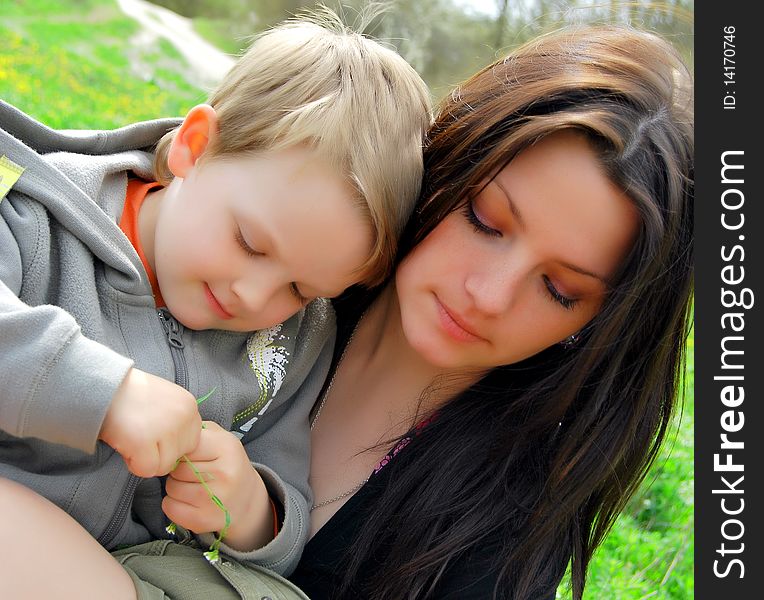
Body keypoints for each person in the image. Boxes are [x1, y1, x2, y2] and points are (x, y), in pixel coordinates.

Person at [0, 9, 430, 599]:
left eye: (300, 289)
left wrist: (252, 512)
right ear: (196, 148)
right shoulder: (34, 216)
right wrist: (105, 393)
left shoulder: (295, 340)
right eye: (249, 242)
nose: (254, 296)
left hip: (129, 567)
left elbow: (285, 473)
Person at [288, 24, 693, 599]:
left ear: (599, 326)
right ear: (449, 158)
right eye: (485, 220)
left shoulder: (501, 542)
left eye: (559, 289)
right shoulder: (277, 261)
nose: (490, 294)